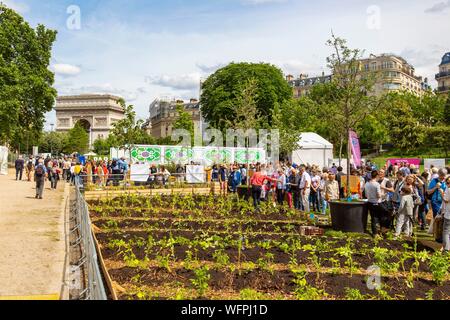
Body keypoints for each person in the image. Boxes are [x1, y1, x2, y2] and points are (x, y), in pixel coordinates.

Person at [365, 170, 383, 237]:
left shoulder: (367, 183)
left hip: (369, 202)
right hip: (376, 202)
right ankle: (375, 233)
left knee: (373, 217)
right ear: (377, 176)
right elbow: (378, 195)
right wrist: (382, 195)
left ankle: (376, 232)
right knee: (376, 218)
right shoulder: (377, 184)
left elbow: (366, 195)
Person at [442, 176, 450, 252]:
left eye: (447, 183)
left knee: (446, 231)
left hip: (448, 214)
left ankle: (447, 248)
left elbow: (446, 200)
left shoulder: (448, 190)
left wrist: (442, 193)